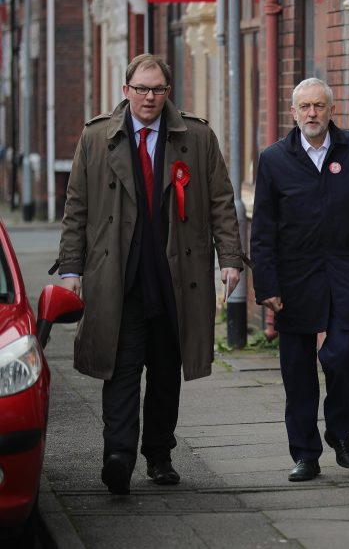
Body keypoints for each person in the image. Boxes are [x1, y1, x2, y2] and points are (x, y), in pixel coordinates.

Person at [55, 54, 244, 495]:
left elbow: (220, 199)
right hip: (116, 277)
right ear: (126, 91)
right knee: (119, 368)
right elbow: (76, 208)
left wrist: (230, 258)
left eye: (157, 89)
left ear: (168, 93)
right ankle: (117, 455)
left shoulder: (195, 136)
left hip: (176, 276)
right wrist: (70, 269)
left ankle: (159, 455)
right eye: (140, 89)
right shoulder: (97, 137)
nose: (149, 97)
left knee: (164, 371)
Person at [250, 78, 349, 482]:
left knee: (342, 354)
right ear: (293, 113)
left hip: (348, 272)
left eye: (319, 106)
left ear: (331, 110)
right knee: (297, 372)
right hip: (294, 279)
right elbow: (262, 230)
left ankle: (341, 433)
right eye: (304, 107)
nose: (312, 114)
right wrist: (268, 287)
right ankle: (305, 454)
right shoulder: (275, 159)